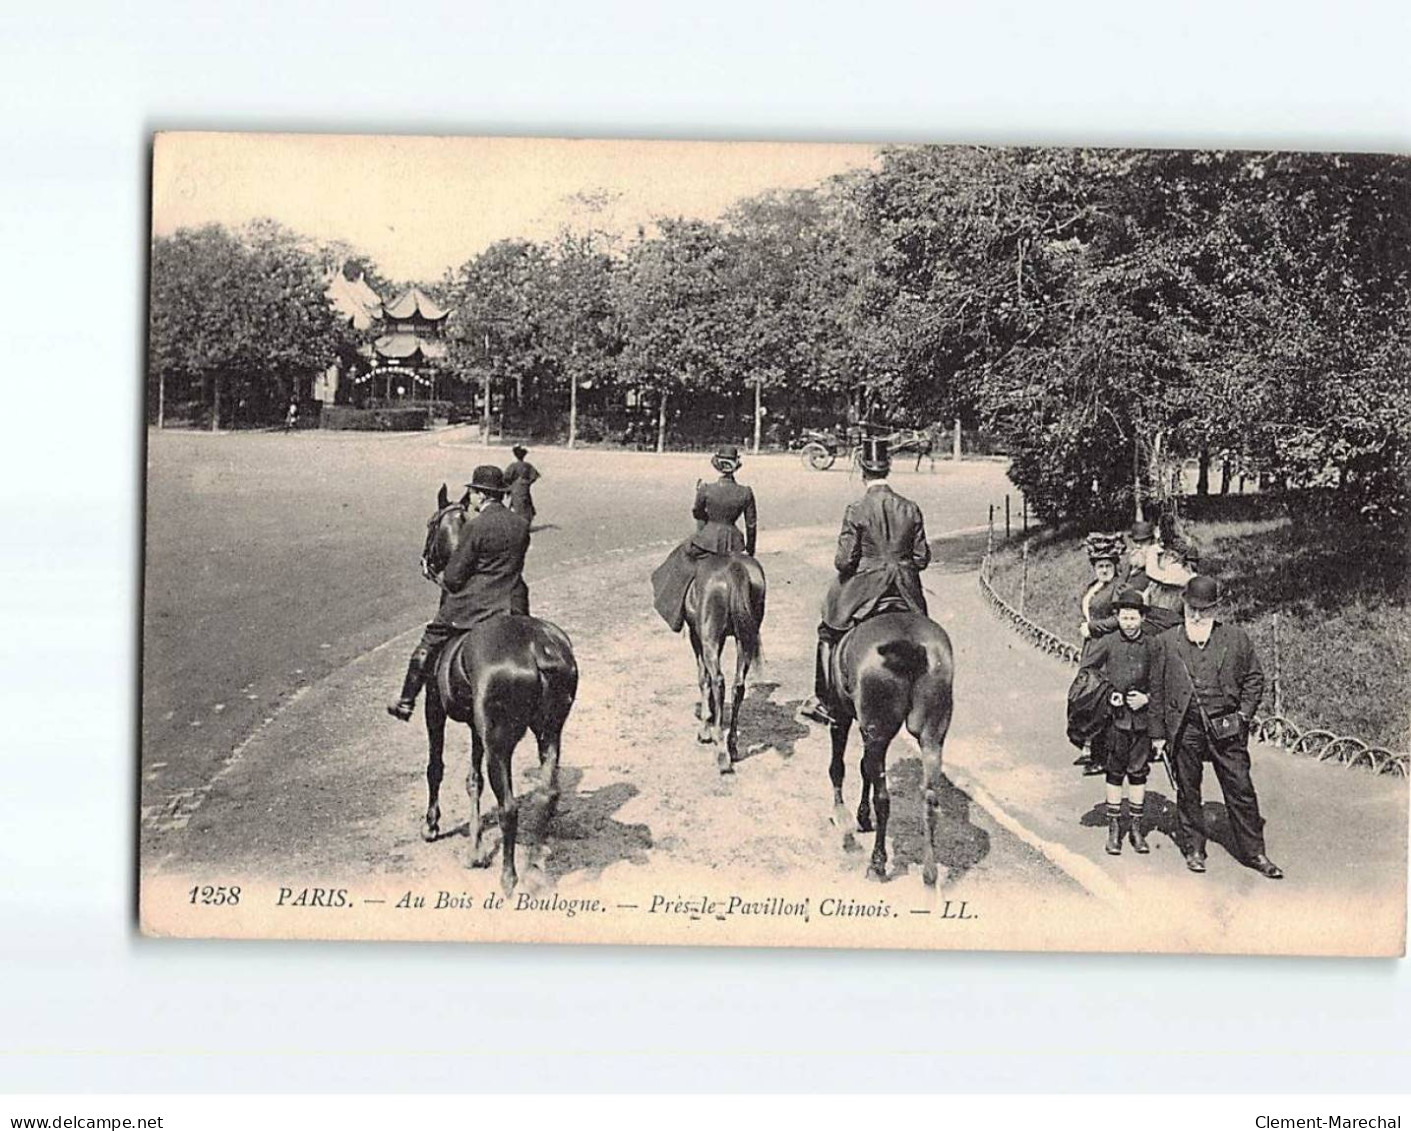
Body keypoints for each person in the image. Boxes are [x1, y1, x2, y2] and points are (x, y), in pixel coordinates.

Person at [1148, 575, 1283, 878]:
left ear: (1215, 610)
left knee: (1240, 788)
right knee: (1187, 789)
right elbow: (1156, 689)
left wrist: (1244, 716)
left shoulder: (1235, 639)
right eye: (1192, 609)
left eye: (1204, 610)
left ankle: (1254, 852)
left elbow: (1254, 679)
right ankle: (1194, 847)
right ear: (1183, 605)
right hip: (1185, 726)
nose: (1197, 615)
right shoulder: (1166, 642)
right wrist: (1157, 734)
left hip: (1226, 723)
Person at [799, 438, 930, 725]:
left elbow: (843, 562)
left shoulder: (857, 509)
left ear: (863, 471)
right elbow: (922, 558)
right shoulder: (911, 508)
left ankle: (825, 700)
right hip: (906, 588)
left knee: (827, 629)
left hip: (867, 587)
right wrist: (901, 563)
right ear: (889, 468)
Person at [386, 466, 531, 721]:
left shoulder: (475, 526)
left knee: (430, 640)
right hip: (514, 602)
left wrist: (436, 576)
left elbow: (454, 578)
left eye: (473, 493)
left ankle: (406, 701)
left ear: (481, 495)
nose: (472, 499)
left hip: (478, 604)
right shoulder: (520, 524)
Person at [1078, 588, 1156, 855]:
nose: (1129, 624)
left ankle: (1136, 828)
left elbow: (1163, 679)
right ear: (1118, 618)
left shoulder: (1153, 644)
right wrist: (1108, 694)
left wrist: (1147, 698)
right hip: (1115, 720)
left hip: (1143, 721)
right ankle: (1114, 828)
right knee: (1114, 770)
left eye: (1133, 618)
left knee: (1138, 771)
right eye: (1124, 618)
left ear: (1142, 618)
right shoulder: (1109, 642)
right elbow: (1087, 670)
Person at [650, 444, 758, 633]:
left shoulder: (706, 489)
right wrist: (750, 549)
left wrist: (699, 495)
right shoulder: (746, 492)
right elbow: (751, 524)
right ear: (736, 466)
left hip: (708, 540)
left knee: (680, 559)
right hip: (734, 542)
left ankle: (678, 613)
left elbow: (698, 514)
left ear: (717, 465)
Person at [503, 444, 541, 529]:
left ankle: (518, 525)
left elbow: (506, 477)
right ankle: (526, 524)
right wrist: (528, 483)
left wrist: (510, 485)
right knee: (526, 505)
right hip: (525, 488)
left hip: (516, 487)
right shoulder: (528, 465)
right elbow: (535, 476)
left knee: (517, 506)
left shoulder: (513, 466)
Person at [1124, 519, 1156, 590]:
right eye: (1135, 542)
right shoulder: (1126, 562)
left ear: (1152, 542)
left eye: (1143, 541)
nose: (1138, 546)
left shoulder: (1154, 566)